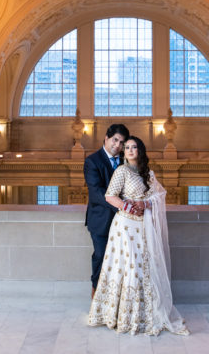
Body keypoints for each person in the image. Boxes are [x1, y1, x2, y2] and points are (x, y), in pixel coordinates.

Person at [88, 136, 189, 336]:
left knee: (145, 267)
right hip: (125, 227)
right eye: (127, 148)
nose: (130, 150)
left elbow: (159, 195)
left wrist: (146, 204)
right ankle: (124, 315)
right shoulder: (121, 171)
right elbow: (110, 196)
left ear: (140, 151)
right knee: (128, 267)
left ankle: (145, 314)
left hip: (144, 227)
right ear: (124, 152)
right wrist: (128, 206)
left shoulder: (148, 174)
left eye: (134, 147)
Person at [84, 124, 130, 299]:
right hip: (101, 220)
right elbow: (96, 192)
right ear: (106, 138)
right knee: (101, 255)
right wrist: (122, 204)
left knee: (122, 260)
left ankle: (118, 298)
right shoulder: (92, 161)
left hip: (125, 221)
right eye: (115, 140)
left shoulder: (127, 160)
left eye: (121, 142)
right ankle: (96, 292)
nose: (117, 145)